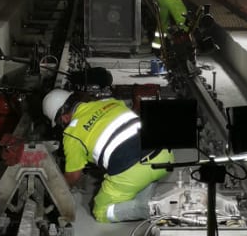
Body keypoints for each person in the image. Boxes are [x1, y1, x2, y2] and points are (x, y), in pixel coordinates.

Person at [42, 89, 173, 223]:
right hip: (164, 154)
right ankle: (146, 190)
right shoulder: (108, 102)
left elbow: (73, 176)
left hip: (135, 171)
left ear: (63, 118)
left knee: (100, 211)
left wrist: (53, 193)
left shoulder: (71, 134)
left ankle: (151, 209)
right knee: (140, 173)